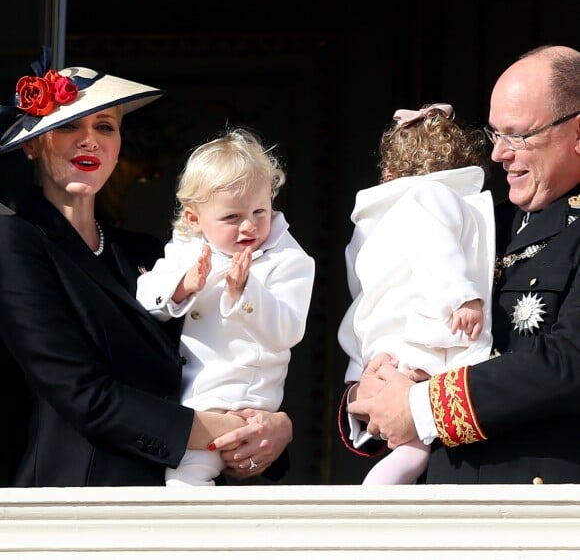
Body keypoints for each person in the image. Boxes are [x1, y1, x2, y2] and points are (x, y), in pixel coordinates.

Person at [0, 46, 292, 487]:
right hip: (68, 506)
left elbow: (218, 354)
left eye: (105, 126)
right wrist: (226, 432)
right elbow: (83, 393)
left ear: (118, 147)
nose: (89, 139)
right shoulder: (14, 242)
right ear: (35, 146)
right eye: (68, 127)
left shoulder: (146, 254)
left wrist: (274, 428)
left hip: (172, 494)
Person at [343, 44, 580, 484]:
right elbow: (395, 297)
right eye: (495, 135)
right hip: (441, 501)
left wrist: (421, 406)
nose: (498, 155)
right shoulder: (482, 218)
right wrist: (374, 386)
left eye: (518, 136)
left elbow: (570, 361)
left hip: (544, 511)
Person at [136, 128, 315, 486]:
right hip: (185, 404)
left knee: (184, 486)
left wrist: (246, 292)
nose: (249, 225)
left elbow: (288, 332)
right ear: (194, 218)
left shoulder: (289, 258)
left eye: (259, 210)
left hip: (239, 403)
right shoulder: (186, 248)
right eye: (232, 217)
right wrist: (184, 285)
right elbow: (145, 298)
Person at [338, 103, 495, 484]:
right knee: (416, 438)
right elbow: (437, 246)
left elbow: (361, 291)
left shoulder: (371, 222)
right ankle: (382, 486)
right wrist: (462, 295)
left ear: (389, 172)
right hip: (429, 334)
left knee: (411, 438)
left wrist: (360, 365)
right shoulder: (433, 195)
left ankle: (382, 485)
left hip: (385, 343)